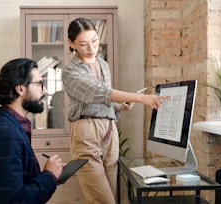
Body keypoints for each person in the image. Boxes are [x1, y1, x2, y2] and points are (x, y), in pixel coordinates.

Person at [62, 17, 168, 204]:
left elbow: (104, 101)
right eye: (84, 44)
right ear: (71, 44)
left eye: (94, 41)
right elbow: (98, 92)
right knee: (103, 200)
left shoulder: (103, 65)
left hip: (110, 131)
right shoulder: (70, 72)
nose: (91, 48)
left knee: (112, 195)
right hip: (86, 132)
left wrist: (119, 107)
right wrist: (141, 98)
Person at [0, 58, 66, 204]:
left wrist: (53, 176)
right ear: (20, 89)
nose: (45, 90)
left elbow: (20, 186)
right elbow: (15, 200)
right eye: (40, 84)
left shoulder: (8, 125)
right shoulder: (5, 134)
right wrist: (48, 175)